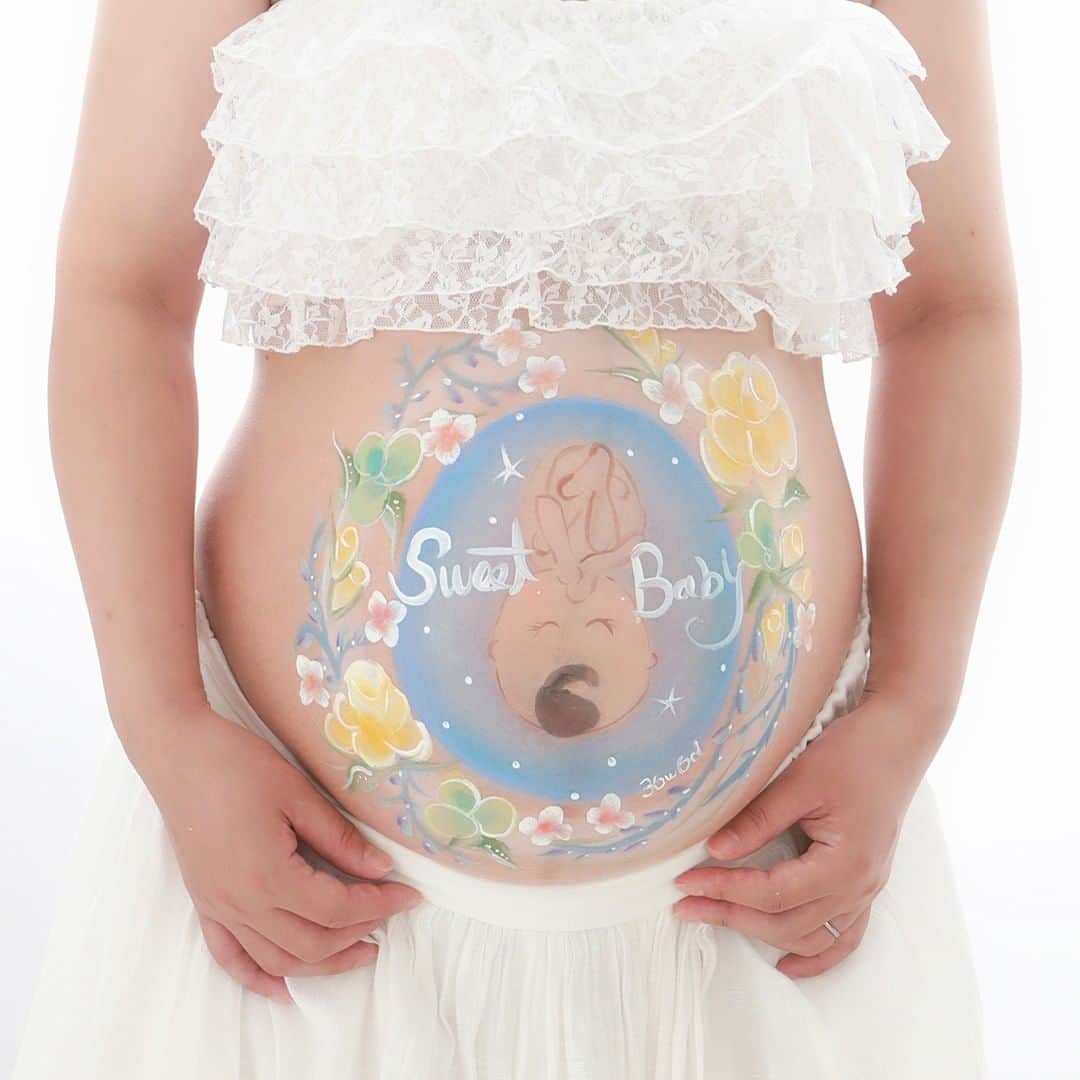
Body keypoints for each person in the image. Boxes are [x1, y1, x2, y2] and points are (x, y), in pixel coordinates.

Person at [13, 0, 1019, 1076]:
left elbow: (952, 313)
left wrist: (911, 710)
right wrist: (164, 723)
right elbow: (124, 292)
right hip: (305, 907)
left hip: (767, 917)